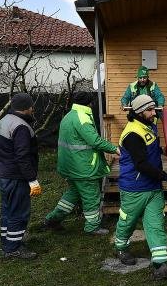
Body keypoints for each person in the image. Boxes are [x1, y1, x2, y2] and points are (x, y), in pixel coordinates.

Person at [113, 94, 167, 279]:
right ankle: (121, 248)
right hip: (135, 188)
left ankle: (160, 265)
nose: (154, 113)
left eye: (154, 109)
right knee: (127, 221)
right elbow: (141, 165)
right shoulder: (132, 134)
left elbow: (153, 148)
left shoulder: (149, 125)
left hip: (153, 187)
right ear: (138, 112)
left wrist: (165, 150)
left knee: (156, 224)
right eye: (149, 110)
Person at [44, 92, 119, 235]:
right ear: (90, 104)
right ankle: (92, 227)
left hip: (70, 166)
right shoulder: (83, 118)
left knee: (73, 194)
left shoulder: (69, 116)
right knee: (91, 197)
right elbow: (95, 141)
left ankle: (53, 219)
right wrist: (115, 149)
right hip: (83, 168)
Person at [0, 93, 42, 259]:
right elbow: (22, 156)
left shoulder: (4, 121)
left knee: (8, 210)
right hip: (16, 177)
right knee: (19, 212)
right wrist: (32, 180)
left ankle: (7, 242)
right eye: (31, 106)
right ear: (27, 108)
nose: (32, 108)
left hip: (3, 173)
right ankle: (13, 248)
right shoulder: (21, 127)